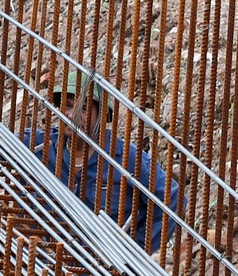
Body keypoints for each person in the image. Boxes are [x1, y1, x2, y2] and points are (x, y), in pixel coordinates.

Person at [22, 71, 184, 254]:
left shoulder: (126, 159)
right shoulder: (39, 145)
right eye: (67, 106)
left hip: (101, 271)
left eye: (83, 109)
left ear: (100, 115)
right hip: (43, 263)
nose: (71, 115)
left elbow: (171, 198)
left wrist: (136, 251)